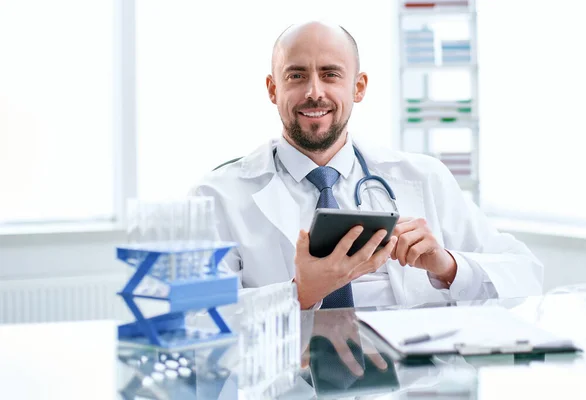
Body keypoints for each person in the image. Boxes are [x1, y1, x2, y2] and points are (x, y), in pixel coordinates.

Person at [191, 21, 543, 310]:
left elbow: (526, 274)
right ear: (272, 89)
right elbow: (193, 319)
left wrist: (448, 266)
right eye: (296, 76)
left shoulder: (423, 177)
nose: (315, 92)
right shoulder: (217, 196)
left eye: (330, 74)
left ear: (358, 87)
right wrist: (298, 294)